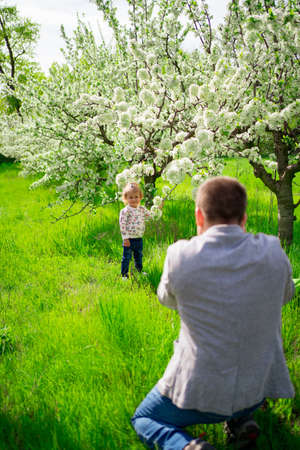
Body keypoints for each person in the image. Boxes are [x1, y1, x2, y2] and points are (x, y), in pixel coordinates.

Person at [131, 176, 295, 450]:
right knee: (241, 351)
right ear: (244, 218)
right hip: (257, 388)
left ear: (198, 215)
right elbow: (286, 295)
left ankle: (187, 446)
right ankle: (242, 421)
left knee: (145, 418)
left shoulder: (180, 254)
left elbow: (166, 299)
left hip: (199, 394)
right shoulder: (273, 251)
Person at [119, 182, 152, 278]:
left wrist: (157, 209)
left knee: (138, 256)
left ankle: (139, 271)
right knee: (127, 257)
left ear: (140, 197)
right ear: (126, 198)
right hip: (129, 238)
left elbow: (150, 217)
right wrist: (125, 238)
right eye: (131, 197)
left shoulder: (142, 209)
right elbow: (122, 225)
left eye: (136, 197)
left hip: (138, 237)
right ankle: (124, 275)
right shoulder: (125, 211)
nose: (134, 199)